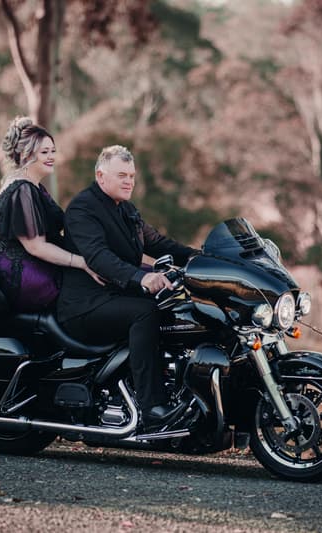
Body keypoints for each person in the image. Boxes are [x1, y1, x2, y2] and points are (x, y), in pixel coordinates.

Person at [57, 145, 198, 429]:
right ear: (101, 176)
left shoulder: (126, 209)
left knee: (177, 309)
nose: (129, 181)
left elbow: (157, 243)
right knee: (144, 312)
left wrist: (204, 258)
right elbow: (97, 256)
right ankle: (152, 407)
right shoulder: (83, 208)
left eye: (132, 176)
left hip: (114, 296)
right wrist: (141, 277)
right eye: (121, 175)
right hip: (85, 304)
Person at [0, 117, 102, 311]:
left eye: (53, 151)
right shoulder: (22, 189)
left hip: (35, 265)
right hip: (27, 275)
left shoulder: (31, 186)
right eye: (44, 152)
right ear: (24, 154)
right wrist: (82, 262)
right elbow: (36, 247)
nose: (51, 157)